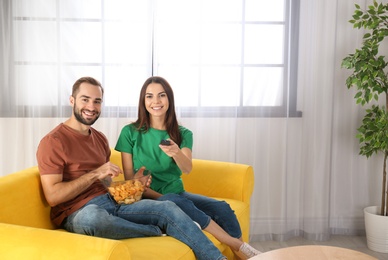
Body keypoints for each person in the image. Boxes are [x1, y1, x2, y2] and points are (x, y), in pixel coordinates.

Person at [36, 76, 227, 260]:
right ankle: (158, 230)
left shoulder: (99, 138)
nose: (91, 107)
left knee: (167, 207)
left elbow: (107, 184)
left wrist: (133, 184)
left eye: (97, 101)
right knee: (93, 218)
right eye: (85, 100)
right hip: (79, 213)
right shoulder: (53, 142)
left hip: (112, 203)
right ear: (72, 100)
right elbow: (53, 197)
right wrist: (96, 173)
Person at [115, 76, 261, 259]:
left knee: (222, 208)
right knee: (179, 203)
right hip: (147, 197)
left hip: (177, 193)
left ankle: (245, 256)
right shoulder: (130, 133)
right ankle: (239, 245)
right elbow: (130, 181)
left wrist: (176, 152)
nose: (156, 102)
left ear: (169, 99)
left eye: (161, 95)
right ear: (143, 102)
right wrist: (150, 189)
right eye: (149, 96)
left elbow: (187, 168)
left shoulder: (183, 134)